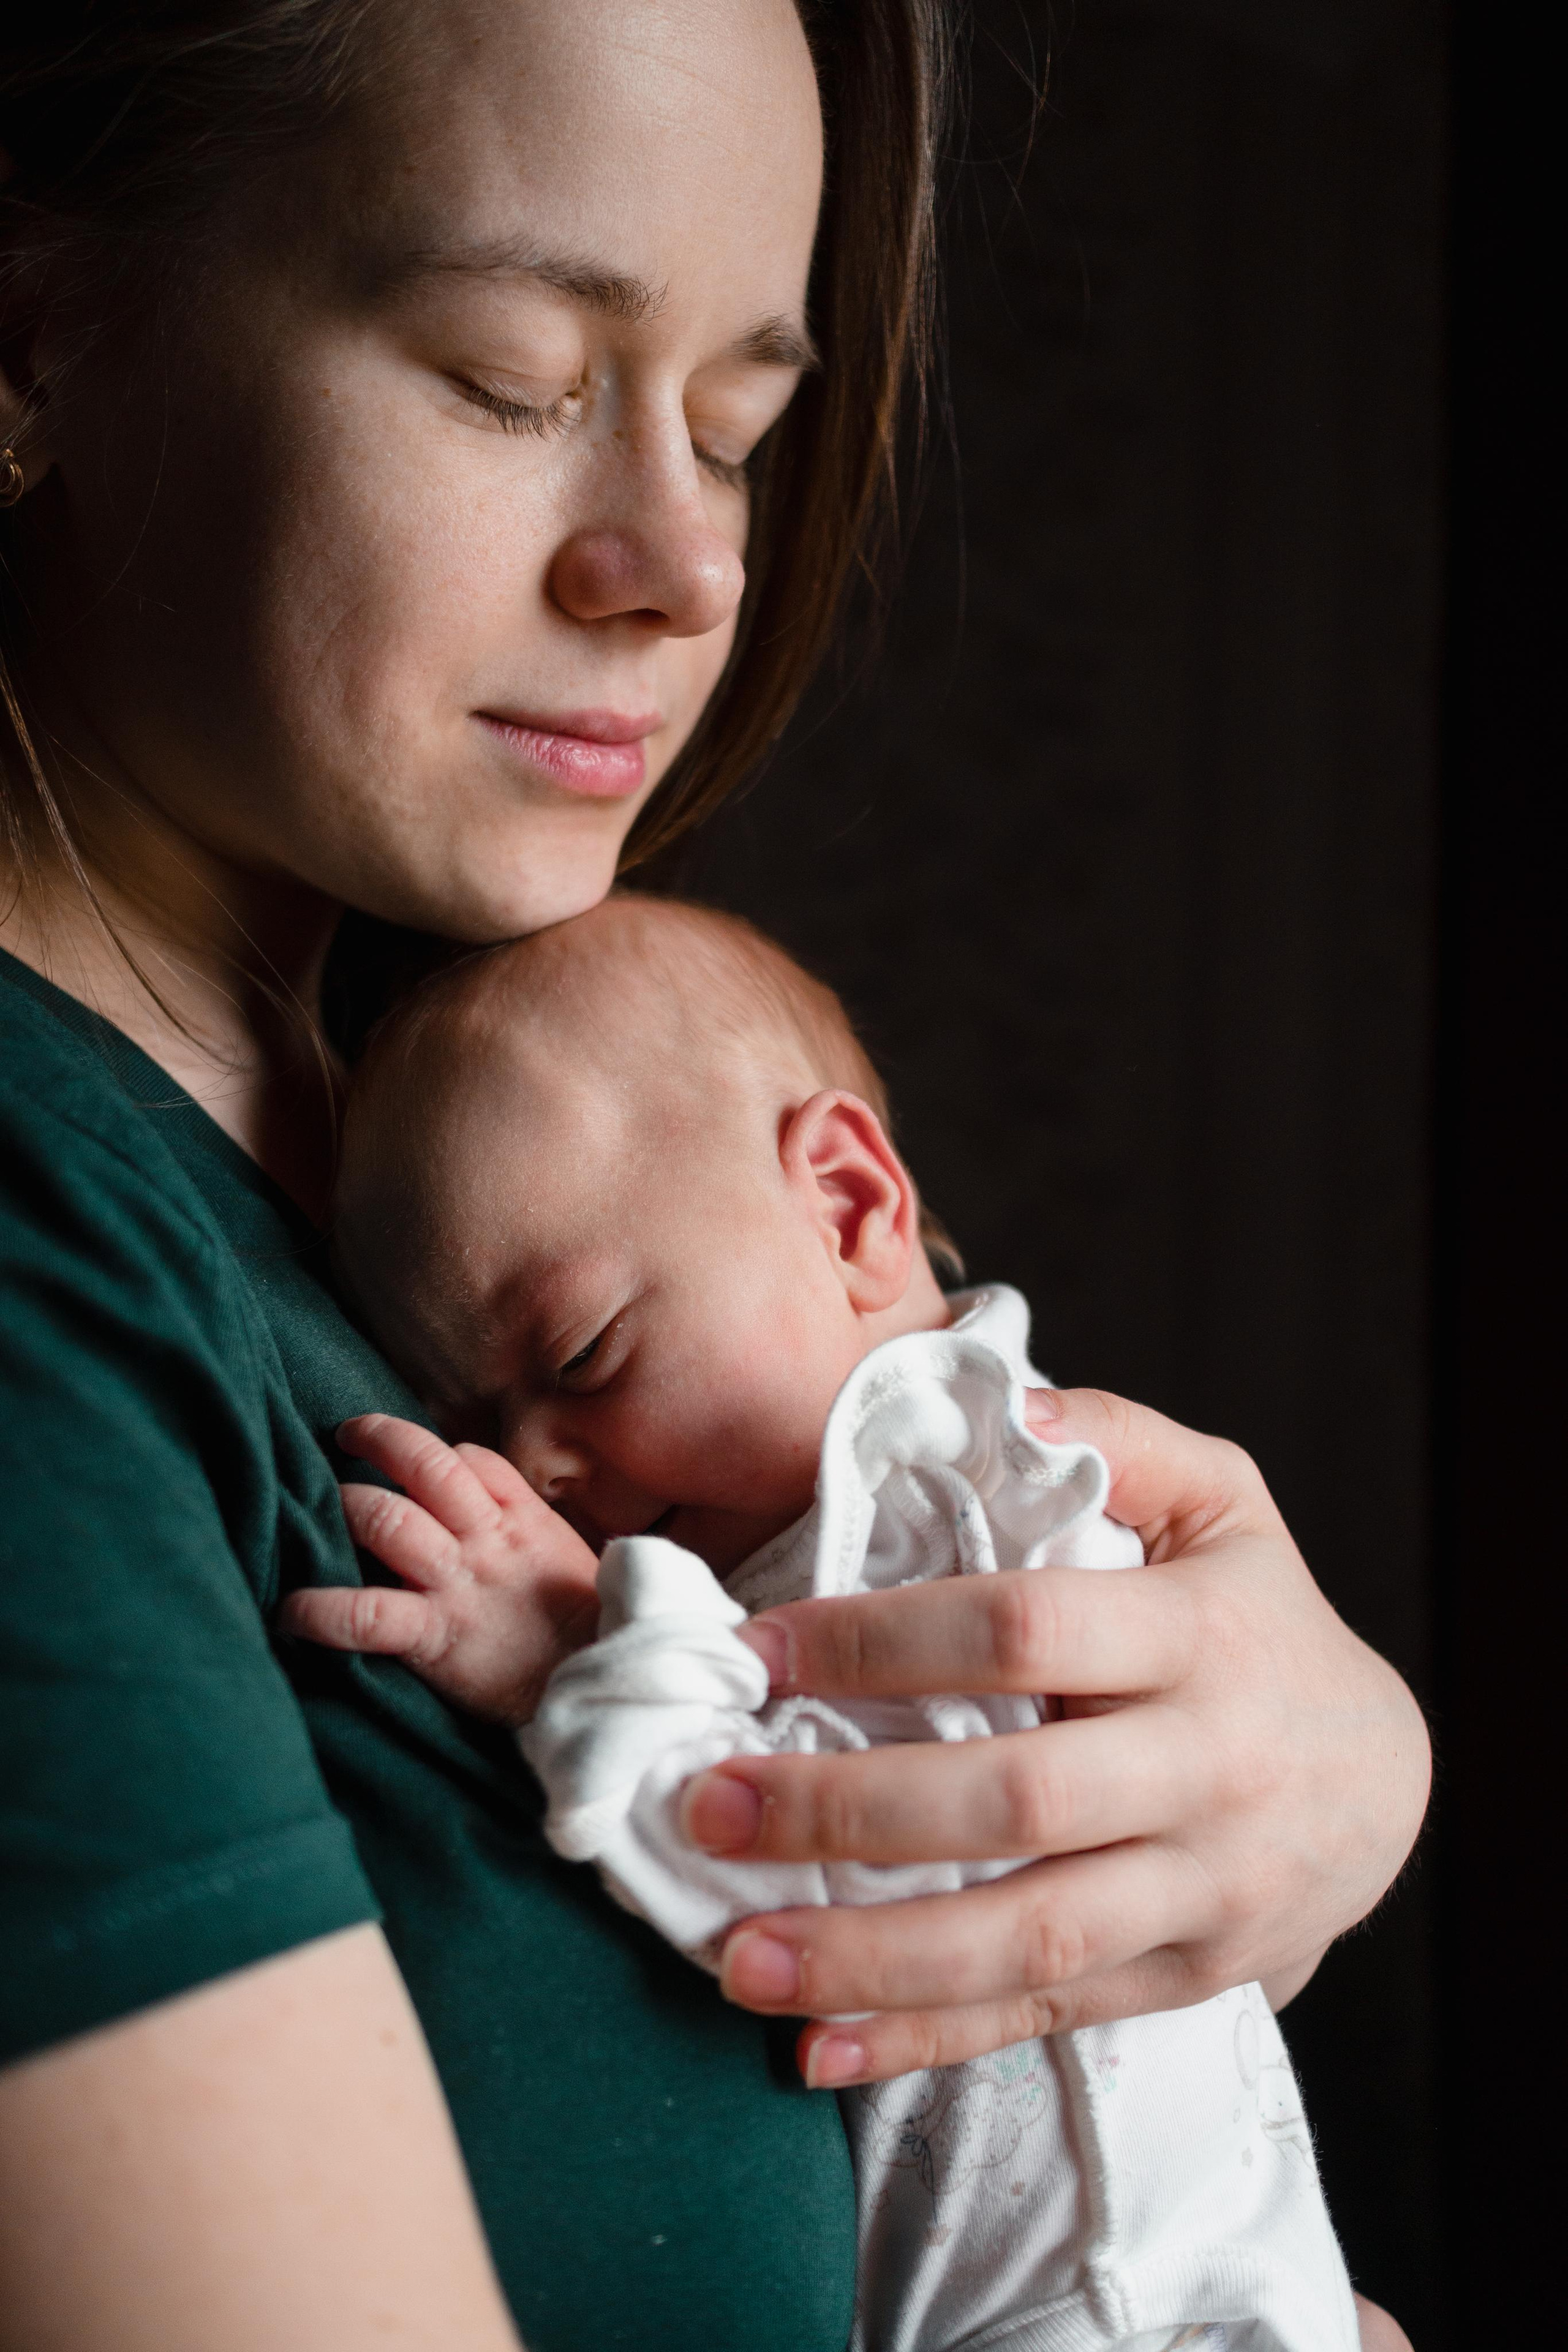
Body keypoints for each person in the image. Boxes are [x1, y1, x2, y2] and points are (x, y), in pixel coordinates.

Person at [0, 4, 1429, 2348]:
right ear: (34, 325)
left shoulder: (476, 1167)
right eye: (511, 379)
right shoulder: (56, 1256)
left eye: (741, 430)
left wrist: (1325, 1774)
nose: (682, 564)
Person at [295, 892, 1368, 2352]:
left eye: (584, 1354)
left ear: (850, 1207)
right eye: (475, 1421)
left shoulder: (979, 1508)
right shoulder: (811, 1546)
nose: (531, 1466)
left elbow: (815, 1873)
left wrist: (574, 1670)